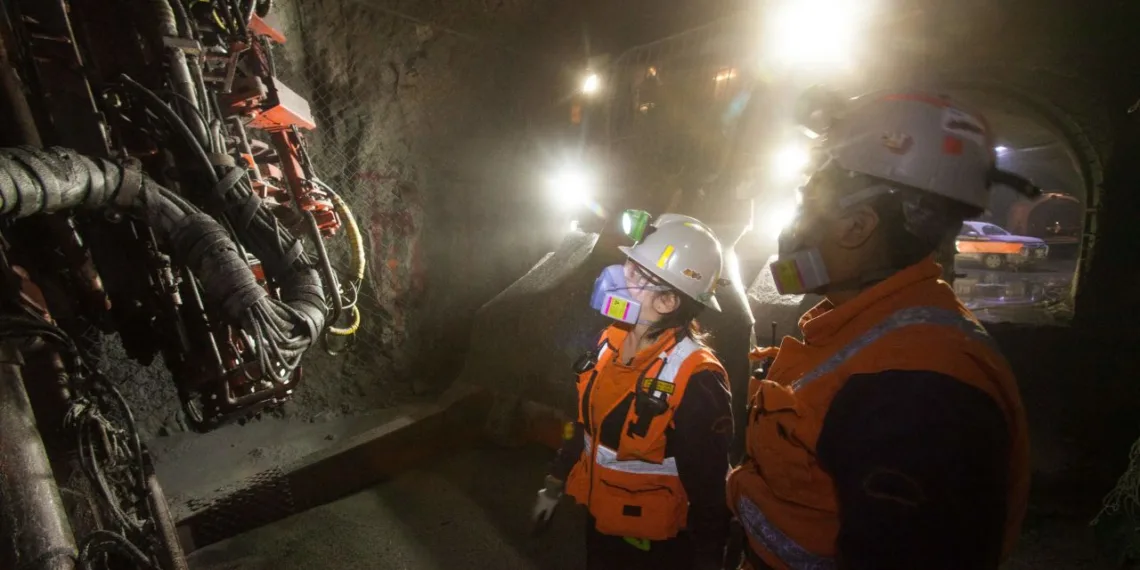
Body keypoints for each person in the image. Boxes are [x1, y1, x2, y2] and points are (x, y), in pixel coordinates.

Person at [727, 92, 1034, 570]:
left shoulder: (919, 392)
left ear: (856, 226)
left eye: (807, 204)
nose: (792, 227)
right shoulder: (865, 330)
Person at [532, 214, 734, 570]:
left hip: (659, 549)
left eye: (639, 275)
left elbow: (709, 490)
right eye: (630, 263)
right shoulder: (609, 342)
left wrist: (708, 559)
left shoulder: (696, 377)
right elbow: (580, 423)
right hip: (601, 523)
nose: (620, 276)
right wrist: (554, 480)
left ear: (669, 302)